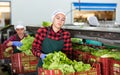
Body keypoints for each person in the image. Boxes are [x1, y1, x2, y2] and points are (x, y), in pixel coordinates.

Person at [32, 9, 73, 74]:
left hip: (59, 69)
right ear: (53, 19)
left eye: (63, 20)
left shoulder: (66, 34)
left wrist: (61, 59)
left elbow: (68, 53)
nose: (60, 21)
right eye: (58, 18)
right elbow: (34, 48)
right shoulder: (42, 31)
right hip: (43, 66)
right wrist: (41, 55)